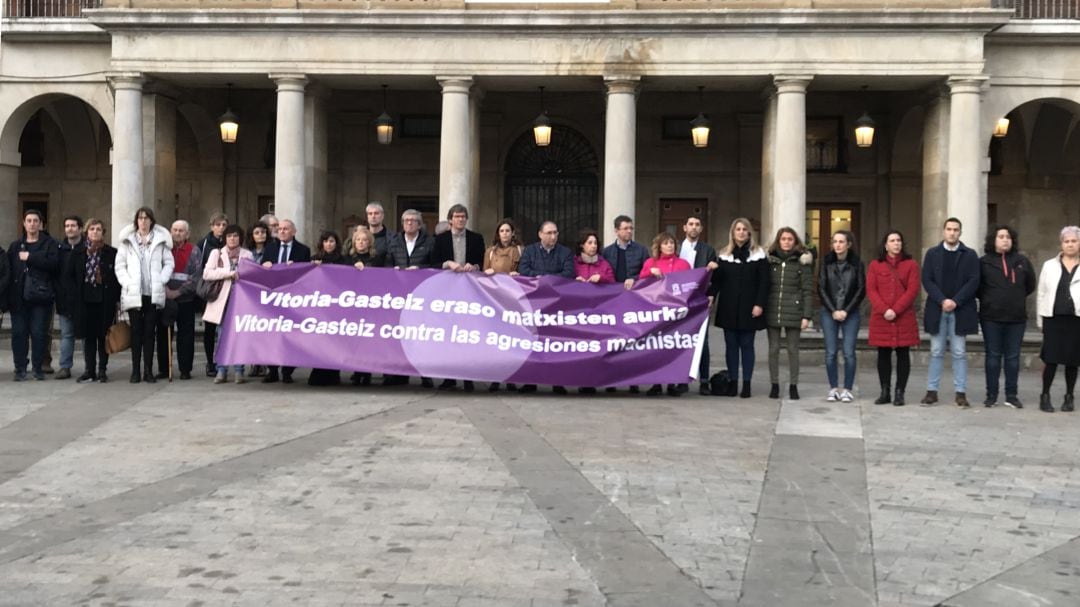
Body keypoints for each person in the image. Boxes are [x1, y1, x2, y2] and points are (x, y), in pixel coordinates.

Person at [920, 217, 980, 408]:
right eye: (949, 229)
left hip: (960, 310)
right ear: (943, 231)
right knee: (936, 351)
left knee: (959, 352)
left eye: (956, 230)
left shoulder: (970, 255)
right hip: (937, 309)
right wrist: (942, 300)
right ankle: (931, 391)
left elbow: (973, 281)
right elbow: (927, 279)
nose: (952, 232)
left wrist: (955, 301)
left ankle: (960, 393)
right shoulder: (932, 254)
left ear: (960, 232)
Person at [710, 218, 769, 398]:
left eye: (744, 229)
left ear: (749, 232)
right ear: (733, 233)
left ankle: (747, 384)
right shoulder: (724, 254)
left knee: (747, 345)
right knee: (731, 346)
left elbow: (764, 283)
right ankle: (733, 382)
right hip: (729, 306)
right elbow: (718, 281)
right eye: (738, 229)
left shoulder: (758, 254)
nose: (741, 232)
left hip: (750, 307)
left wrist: (759, 304)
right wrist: (711, 295)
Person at [978, 225, 1035, 408]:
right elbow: (978, 288)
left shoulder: (1022, 261)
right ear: (993, 240)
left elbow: (1030, 285)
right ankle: (991, 395)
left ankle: (1011, 395)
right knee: (993, 357)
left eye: (1008, 237)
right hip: (991, 317)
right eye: (1001, 236)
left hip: (1016, 318)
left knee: (1012, 358)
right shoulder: (984, 262)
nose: (1005, 240)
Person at [115, 206, 174, 384]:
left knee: (150, 333)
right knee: (136, 333)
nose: (143, 221)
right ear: (136, 221)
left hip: (152, 293)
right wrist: (127, 282)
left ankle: (148, 370)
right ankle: (135, 370)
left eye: (146, 218)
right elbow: (120, 266)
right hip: (134, 294)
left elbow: (169, 263)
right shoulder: (127, 241)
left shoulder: (160, 241)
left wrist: (161, 279)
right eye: (140, 218)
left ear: (151, 221)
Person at [432, 204, 486, 392]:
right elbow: (432, 262)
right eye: (457, 216)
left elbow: (482, 262)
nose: (461, 219)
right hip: (447, 292)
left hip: (470, 292)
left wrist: (475, 266)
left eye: (463, 216)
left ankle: (468, 377)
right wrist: (448, 264)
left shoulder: (476, 238)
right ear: (450, 220)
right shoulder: (440, 240)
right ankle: (449, 377)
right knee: (448, 335)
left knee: (467, 335)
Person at [518, 221, 576, 394]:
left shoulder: (565, 252)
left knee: (555, 343)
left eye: (555, 233)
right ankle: (530, 381)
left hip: (556, 305)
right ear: (540, 234)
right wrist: (539, 278)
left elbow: (568, 273)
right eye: (549, 233)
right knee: (532, 343)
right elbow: (523, 269)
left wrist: (547, 279)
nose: (553, 236)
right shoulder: (530, 251)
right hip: (533, 305)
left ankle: (557, 381)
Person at [867, 230, 920, 407]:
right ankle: (885, 391)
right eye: (892, 240)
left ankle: (900, 392)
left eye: (899, 240)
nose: (896, 243)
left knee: (903, 354)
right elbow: (872, 290)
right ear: (885, 245)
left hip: (903, 316)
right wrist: (884, 310)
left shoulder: (911, 265)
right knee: (883, 354)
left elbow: (912, 290)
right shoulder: (876, 265)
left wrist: (896, 310)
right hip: (881, 317)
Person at [385, 209, 435, 387]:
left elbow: (435, 265)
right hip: (399, 295)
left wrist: (421, 270)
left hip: (421, 296)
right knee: (398, 335)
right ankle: (398, 373)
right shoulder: (394, 241)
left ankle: (424, 373)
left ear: (420, 224)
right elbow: (387, 263)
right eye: (406, 220)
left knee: (419, 335)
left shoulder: (429, 242)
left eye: (413, 221)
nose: (409, 223)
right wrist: (393, 271)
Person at [8, 209, 59, 381]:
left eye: (35, 221)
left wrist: (30, 257)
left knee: (38, 333)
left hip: (41, 297)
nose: (32, 224)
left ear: (41, 224)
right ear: (23, 223)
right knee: (19, 333)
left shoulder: (50, 244)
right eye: (28, 220)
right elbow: (10, 271)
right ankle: (20, 368)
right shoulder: (16, 246)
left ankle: (38, 368)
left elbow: (54, 264)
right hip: (19, 298)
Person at [764, 227, 814, 401]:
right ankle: (774, 384)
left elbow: (808, 290)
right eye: (783, 239)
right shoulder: (770, 261)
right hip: (773, 309)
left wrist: (807, 316)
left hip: (794, 310)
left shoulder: (802, 263)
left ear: (795, 242)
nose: (786, 242)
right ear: (778, 241)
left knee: (793, 350)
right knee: (773, 349)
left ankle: (794, 385)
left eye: (790, 239)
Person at [641, 232, 692, 397]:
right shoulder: (651, 263)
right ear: (659, 246)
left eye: (672, 243)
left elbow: (689, 284)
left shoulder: (683, 264)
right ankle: (656, 383)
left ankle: (672, 382)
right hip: (655, 312)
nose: (670, 245)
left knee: (672, 347)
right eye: (666, 243)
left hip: (676, 313)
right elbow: (640, 282)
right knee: (656, 347)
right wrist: (650, 273)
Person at [1036, 226, 1080, 413]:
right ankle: (1045, 395)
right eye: (1066, 241)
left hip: (1076, 319)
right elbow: (1041, 293)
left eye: (1074, 241)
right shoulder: (1049, 265)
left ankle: (1069, 396)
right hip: (1053, 319)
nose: (1070, 244)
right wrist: (1040, 320)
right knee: (1051, 359)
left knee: (1073, 360)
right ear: (1061, 243)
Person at [261, 219, 311, 384]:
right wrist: (264, 265)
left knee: (292, 335)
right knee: (271, 335)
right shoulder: (270, 248)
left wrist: (296, 266)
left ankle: (288, 371)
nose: (281, 231)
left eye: (285, 229)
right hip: (273, 298)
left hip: (293, 299)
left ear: (293, 232)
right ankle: (272, 370)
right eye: (280, 229)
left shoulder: (303, 250)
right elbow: (261, 271)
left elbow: (306, 274)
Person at [818, 230, 865, 403]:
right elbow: (821, 287)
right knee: (830, 352)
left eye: (841, 241)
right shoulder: (826, 262)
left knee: (848, 352)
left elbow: (861, 289)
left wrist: (846, 310)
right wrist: (833, 310)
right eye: (835, 241)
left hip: (850, 313)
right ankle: (833, 388)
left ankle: (847, 389)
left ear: (849, 244)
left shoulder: (857, 264)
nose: (837, 245)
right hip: (829, 312)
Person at [203, 224, 253, 384]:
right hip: (222, 300)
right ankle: (221, 370)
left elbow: (251, 275)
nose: (232, 239)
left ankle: (239, 371)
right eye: (229, 236)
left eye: (235, 236)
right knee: (222, 335)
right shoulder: (216, 253)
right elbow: (207, 273)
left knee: (240, 335)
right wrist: (229, 273)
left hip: (242, 300)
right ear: (225, 238)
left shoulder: (247, 254)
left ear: (240, 238)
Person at [72, 219, 120, 383]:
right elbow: (72, 277)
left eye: (99, 229)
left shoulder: (111, 253)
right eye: (92, 229)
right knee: (89, 337)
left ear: (103, 233)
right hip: (85, 299)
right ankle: (89, 370)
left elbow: (116, 278)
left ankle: (102, 370)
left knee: (103, 336)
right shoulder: (79, 253)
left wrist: (116, 299)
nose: (95, 232)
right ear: (86, 232)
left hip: (104, 299)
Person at [678, 215, 719, 395]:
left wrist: (711, 295)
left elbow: (715, 277)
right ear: (684, 228)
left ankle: (704, 381)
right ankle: (681, 379)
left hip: (700, 300)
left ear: (701, 229)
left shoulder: (708, 250)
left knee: (703, 342)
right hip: (678, 302)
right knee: (680, 341)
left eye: (697, 225)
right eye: (691, 224)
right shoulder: (676, 247)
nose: (694, 227)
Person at [156, 220, 201, 381]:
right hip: (165, 298)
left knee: (186, 336)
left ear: (187, 234)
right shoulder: (163, 249)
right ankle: (163, 368)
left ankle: (185, 369)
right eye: (174, 230)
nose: (177, 233)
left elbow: (196, 276)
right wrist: (165, 290)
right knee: (163, 334)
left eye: (181, 231)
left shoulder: (193, 250)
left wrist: (178, 292)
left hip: (185, 299)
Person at [484, 219, 523, 392]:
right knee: (496, 340)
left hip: (513, 299)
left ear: (513, 233)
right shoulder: (490, 252)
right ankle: (495, 377)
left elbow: (526, 272)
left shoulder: (520, 250)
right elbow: (483, 274)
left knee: (511, 340)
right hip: (495, 300)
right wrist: (487, 273)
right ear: (498, 233)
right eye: (502, 231)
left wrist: (518, 274)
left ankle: (511, 378)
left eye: (508, 230)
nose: (505, 234)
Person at [308, 231, 348, 386]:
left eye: (331, 241)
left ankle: (333, 374)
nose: (329, 244)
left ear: (336, 243)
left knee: (334, 340)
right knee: (319, 341)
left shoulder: (344, 261)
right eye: (326, 241)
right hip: (319, 306)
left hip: (337, 305)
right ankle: (318, 372)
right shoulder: (314, 259)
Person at [347, 226, 384, 386]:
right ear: (354, 243)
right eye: (358, 240)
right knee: (355, 339)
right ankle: (357, 370)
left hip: (370, 303)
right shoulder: (347, 259)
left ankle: (367, 371)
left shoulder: (377, 259)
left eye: (364, 240)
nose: (361, 243)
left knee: (367, 338)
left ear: (370, 243)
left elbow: (382, 277)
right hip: (353, 304)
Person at [54, 215, 86, 380]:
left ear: (80, 228)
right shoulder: (59, 249)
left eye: (73, 226)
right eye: (67, 226)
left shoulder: (88, 248)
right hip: (65, 299)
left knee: (87, 334)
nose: (70, 229)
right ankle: (65, 367)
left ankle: (90, 367)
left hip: (84, 300)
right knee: (67, 334)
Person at [197, 212, 228, 377]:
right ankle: (210, 362)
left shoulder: (230, 241)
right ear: (211, 226)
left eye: (223, 225)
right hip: (210, 291)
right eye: (218, 225)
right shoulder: (203, 244)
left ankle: (224, 359)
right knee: (210, 328)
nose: (221, 228)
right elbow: (198, 267)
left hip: (227, 290)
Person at [602, 215, 649, 290]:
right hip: (613, 292)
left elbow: (647, 271)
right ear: (616, 231)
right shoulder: (607, 252)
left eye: (631, 228)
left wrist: (634, 279)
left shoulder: (642, 250)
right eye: (625, 228)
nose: (629, 231)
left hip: (634, 291)